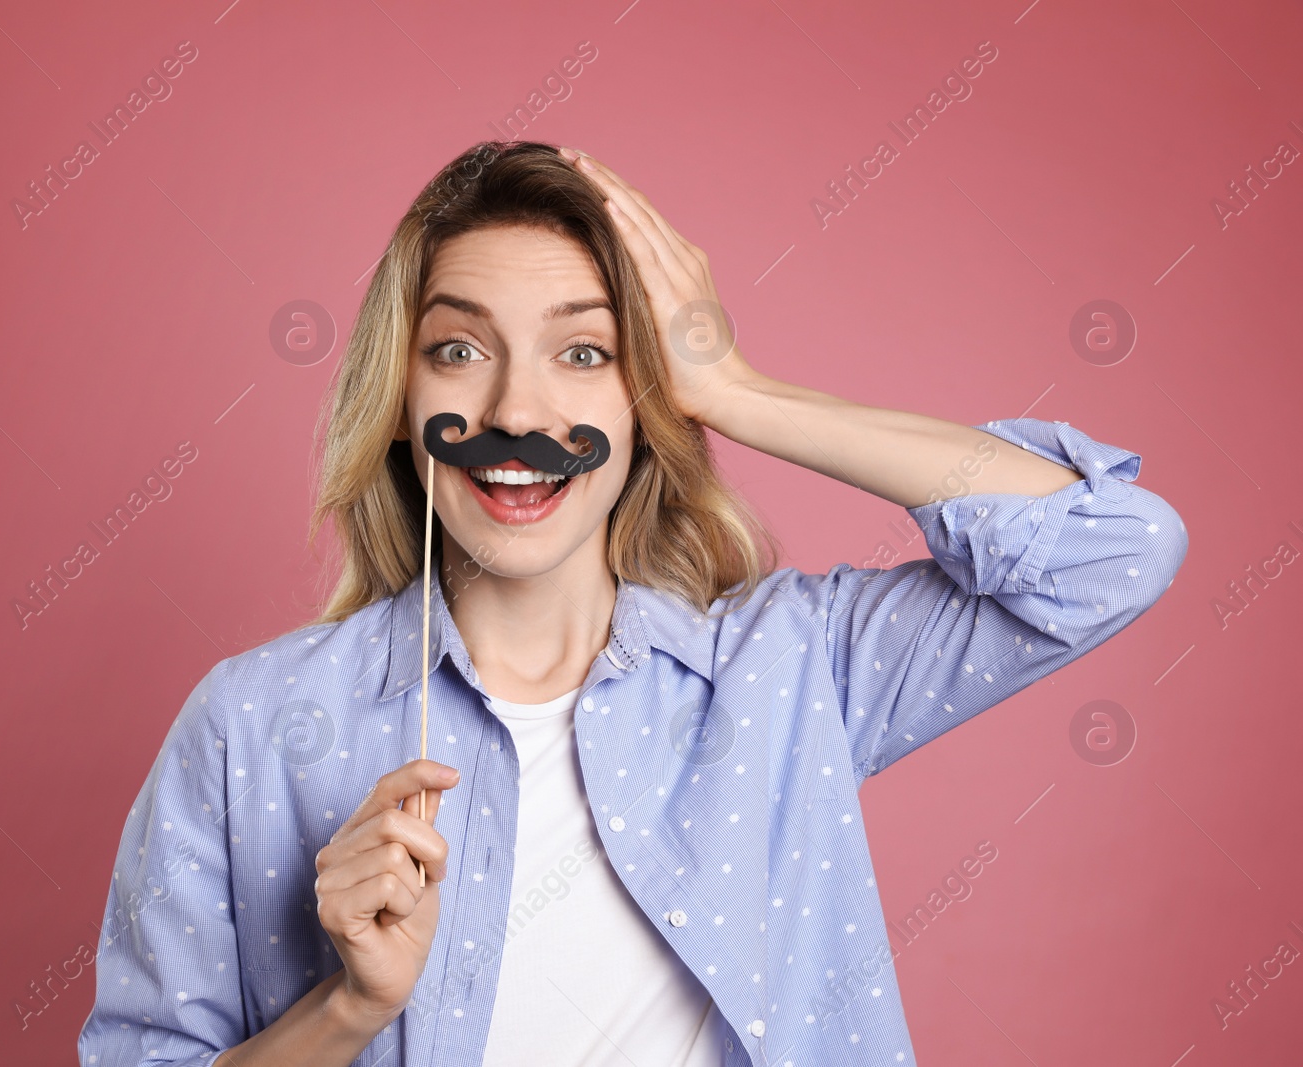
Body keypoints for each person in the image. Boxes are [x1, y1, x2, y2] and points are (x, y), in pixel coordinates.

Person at [76, 141, 1188, 1067]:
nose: (517, 406)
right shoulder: (249, 726)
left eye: (585, 351)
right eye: (459, 349)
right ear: (403, 405)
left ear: (646, 400)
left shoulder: (791, 671)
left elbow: (1112, 548)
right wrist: (347, 1009)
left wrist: (736, 390)